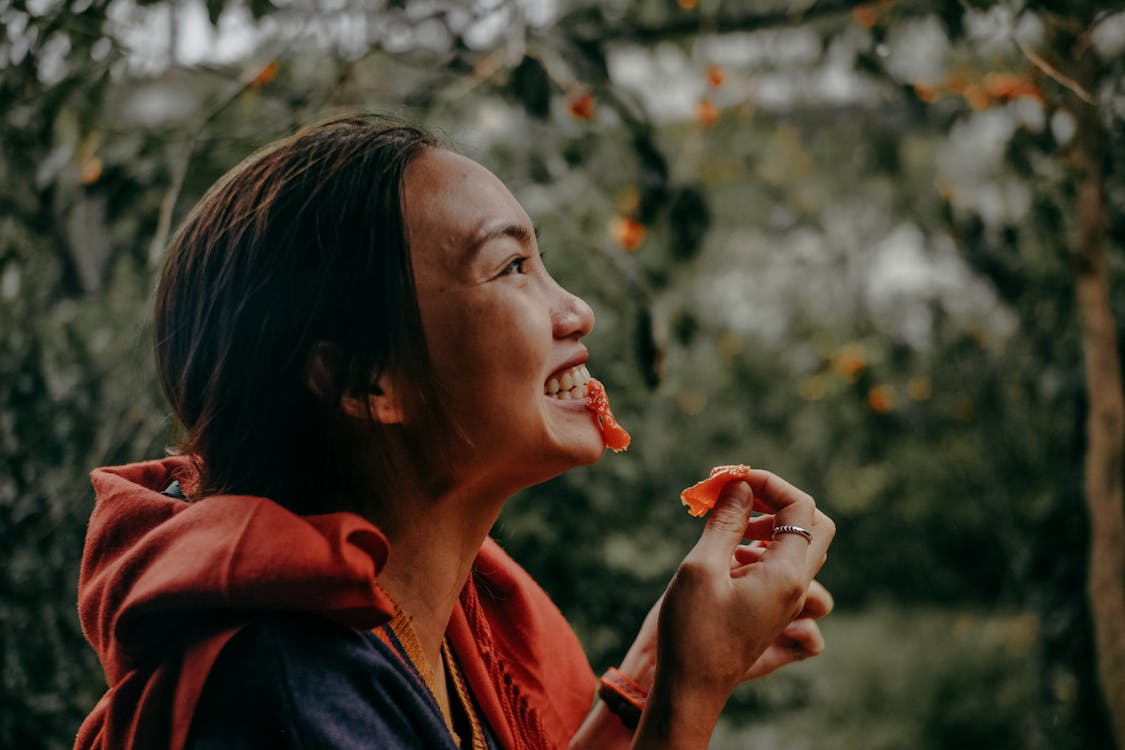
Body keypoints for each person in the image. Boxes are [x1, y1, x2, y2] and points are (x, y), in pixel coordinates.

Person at [75, 115, 835, 750]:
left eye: (542, 264)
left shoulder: (436, 616)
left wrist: (644, 687)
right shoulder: (284, 692)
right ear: (368, 385)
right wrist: (688, 699)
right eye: (510, 268)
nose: (575, 312)